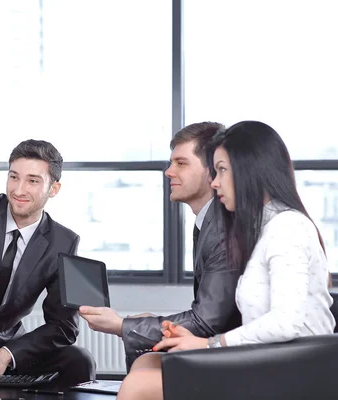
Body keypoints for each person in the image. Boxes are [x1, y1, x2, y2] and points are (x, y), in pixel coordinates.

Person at [117, 120, 336, 400]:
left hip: (294, 370)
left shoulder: (287, 227)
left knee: (138, 387)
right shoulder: (262, 229)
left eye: (222, 171)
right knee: (146, 362)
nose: (215, 182)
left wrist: (209, 345)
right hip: (269, 359)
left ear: (248, 171)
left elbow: (285, 323)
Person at [79, 122, 241, 368]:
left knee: (145, 359)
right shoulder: (208, 221)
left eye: (181, 163)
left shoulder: (221, 228)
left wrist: (122, 326)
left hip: (234, 358)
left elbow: (208, 323)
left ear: (212, 171)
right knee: (145, 356)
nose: (168, 171)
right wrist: (154, 321)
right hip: (220, 347)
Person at [0, 139, 96, 387]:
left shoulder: (63, 241)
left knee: (79, 360)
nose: (19, 190)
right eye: (13, 177)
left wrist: (7, 355)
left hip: (5, 344)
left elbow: (64, 326)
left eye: (33, 181)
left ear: (54, 188)